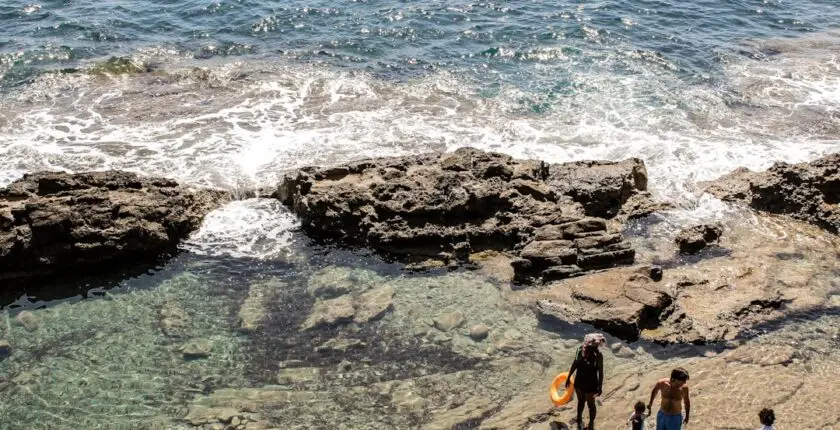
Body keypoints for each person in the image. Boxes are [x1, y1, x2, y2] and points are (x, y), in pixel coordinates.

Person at [565, 333, 605, 430]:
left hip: (580, 383)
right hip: (589, 385)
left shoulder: (580, 350)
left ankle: (581, 419)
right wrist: (599, 387)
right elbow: (600, 372)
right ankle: (589, 424)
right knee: (591, 405)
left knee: (581, 401)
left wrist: (569, 377)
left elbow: (574, 364)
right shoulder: (598, 355)